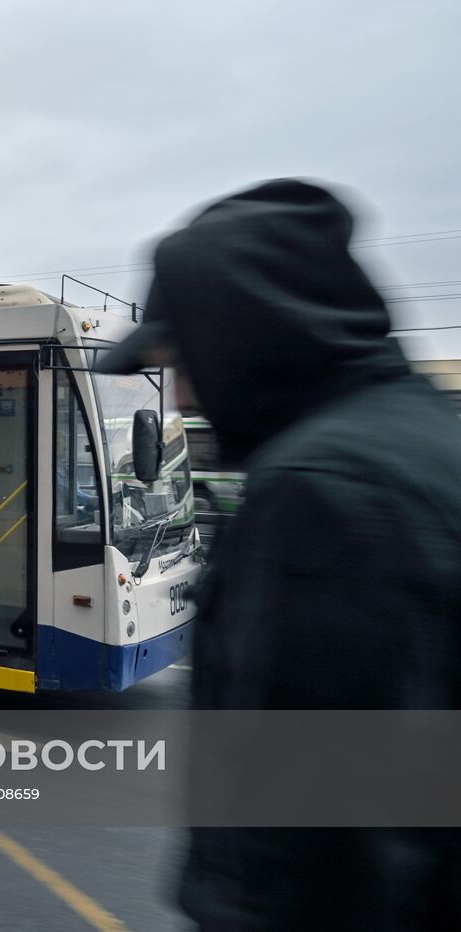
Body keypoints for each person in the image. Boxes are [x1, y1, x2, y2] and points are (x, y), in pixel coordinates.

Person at [96, 179, 461, 930]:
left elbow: (309, 850)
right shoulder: (422, 438)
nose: (179, 401)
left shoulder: (319, 493)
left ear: (240, 334)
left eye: (183, 362)